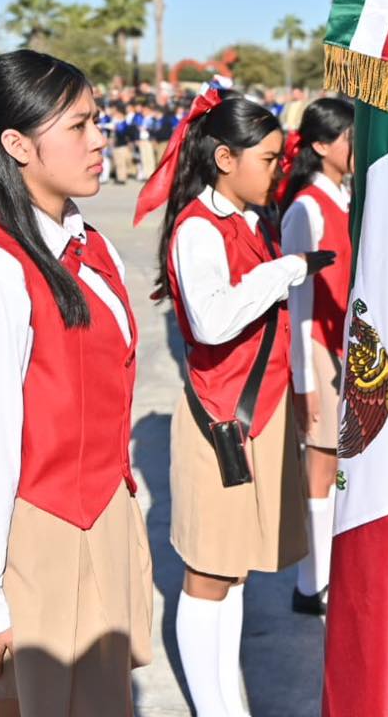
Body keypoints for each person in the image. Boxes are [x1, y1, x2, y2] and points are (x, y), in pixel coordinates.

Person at [0, 51, 151, 714]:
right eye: (80, 126)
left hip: (103, 515)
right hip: (41, 529)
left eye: (99, 121)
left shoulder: (91, 245)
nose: (99, 140)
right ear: (17, 143)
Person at [140, 93, 327, 717]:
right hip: (222, 416)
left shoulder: (250, 220)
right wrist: (288, 271)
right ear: (225, 158)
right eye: (269, 158)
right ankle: (214, 708)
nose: (279, 170)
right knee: (209, 576)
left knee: (236, 569)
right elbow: (214, 319)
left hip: (257, 413)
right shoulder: (199, 226)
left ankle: (226, 704)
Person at [278, 97, 355, 616]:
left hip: (343, 344)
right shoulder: (306, 207)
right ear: (322, 146)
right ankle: (314, 581)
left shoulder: (344, 197)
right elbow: (297, 300)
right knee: (321, 464)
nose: (359, 147)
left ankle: (324, 576)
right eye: (351, 138)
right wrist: (305, 380)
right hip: (318, 349)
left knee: (335, 464)